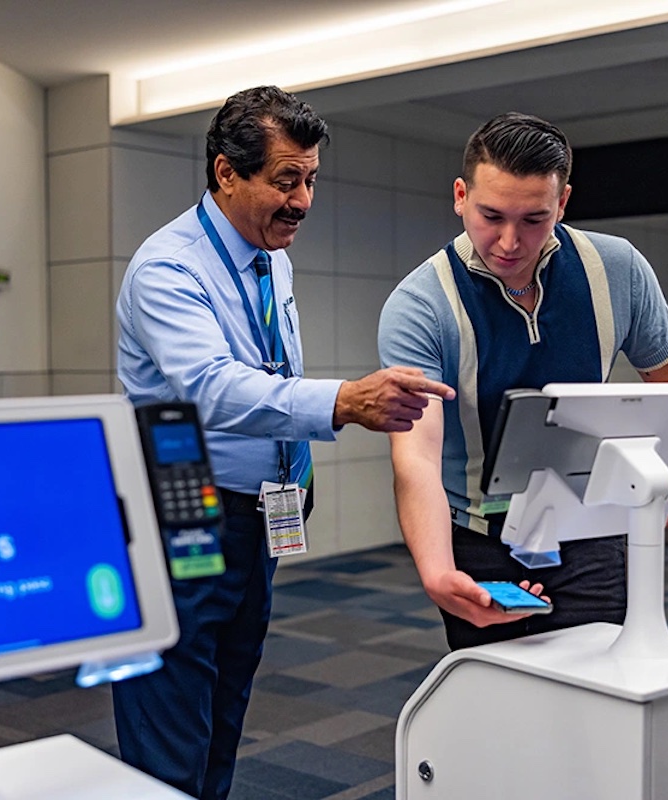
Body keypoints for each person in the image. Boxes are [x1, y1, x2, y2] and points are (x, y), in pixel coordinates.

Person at [113, 85, 454, 800]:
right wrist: (343, 401)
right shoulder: (168, 268)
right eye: (284, 180)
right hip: (180, 513)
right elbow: (208, 387)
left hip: (256, 514)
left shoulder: (273, 257)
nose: (302, 200)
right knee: (171, 723)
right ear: (225, 172)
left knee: (227, 707)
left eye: (310, 180)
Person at [378, 112, 668, 651]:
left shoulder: (616, 268)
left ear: (563, 203)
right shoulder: (420, 305)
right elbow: (417, 457)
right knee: (500, 701)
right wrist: (437, 572)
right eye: (491, 215)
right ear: (460, 195)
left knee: (604, 690)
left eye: (534, 219)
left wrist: (662, 463)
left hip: (591, 525)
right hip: (479, 536)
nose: (508, 241)